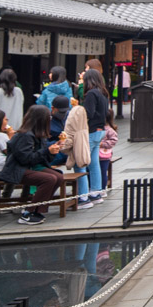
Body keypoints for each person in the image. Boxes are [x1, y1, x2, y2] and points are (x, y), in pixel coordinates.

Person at [0, 105, 65, 226]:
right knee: (49, 179)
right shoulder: (24, 135)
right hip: (17, 170)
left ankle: (39, 210)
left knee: (58, 177)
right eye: (48, 117)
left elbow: (44, 158)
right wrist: (47, 151)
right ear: (40, 119)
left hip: (30, 167)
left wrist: (54, 149)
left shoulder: (39, 134)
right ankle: (28, 213)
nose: (50, 119)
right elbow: (25, 159)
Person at [80, 68, 110, 203]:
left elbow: (89, 113)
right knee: (94, 162)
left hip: (92, 130)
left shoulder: (91, 94)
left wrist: (78, 109)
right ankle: (96, 192)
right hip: (101, 129)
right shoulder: (103, 93)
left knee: (82, 162)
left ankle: (83, 196)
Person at [60, 100, 95, 209]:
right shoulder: (82, 115)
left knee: (79, 168)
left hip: (75, 143)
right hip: (83, 141)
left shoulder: (71, 116)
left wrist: (62, 146)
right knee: (86, 166)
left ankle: (83, 197)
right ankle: (91, 193)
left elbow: (68, 136)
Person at [98, 110, 118, 190]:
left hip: (104, 155)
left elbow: (113, 141)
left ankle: (103, 188)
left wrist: (102, 144)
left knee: (103, 172)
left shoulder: (109, 130)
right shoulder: (98, 128)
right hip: (96, 154)